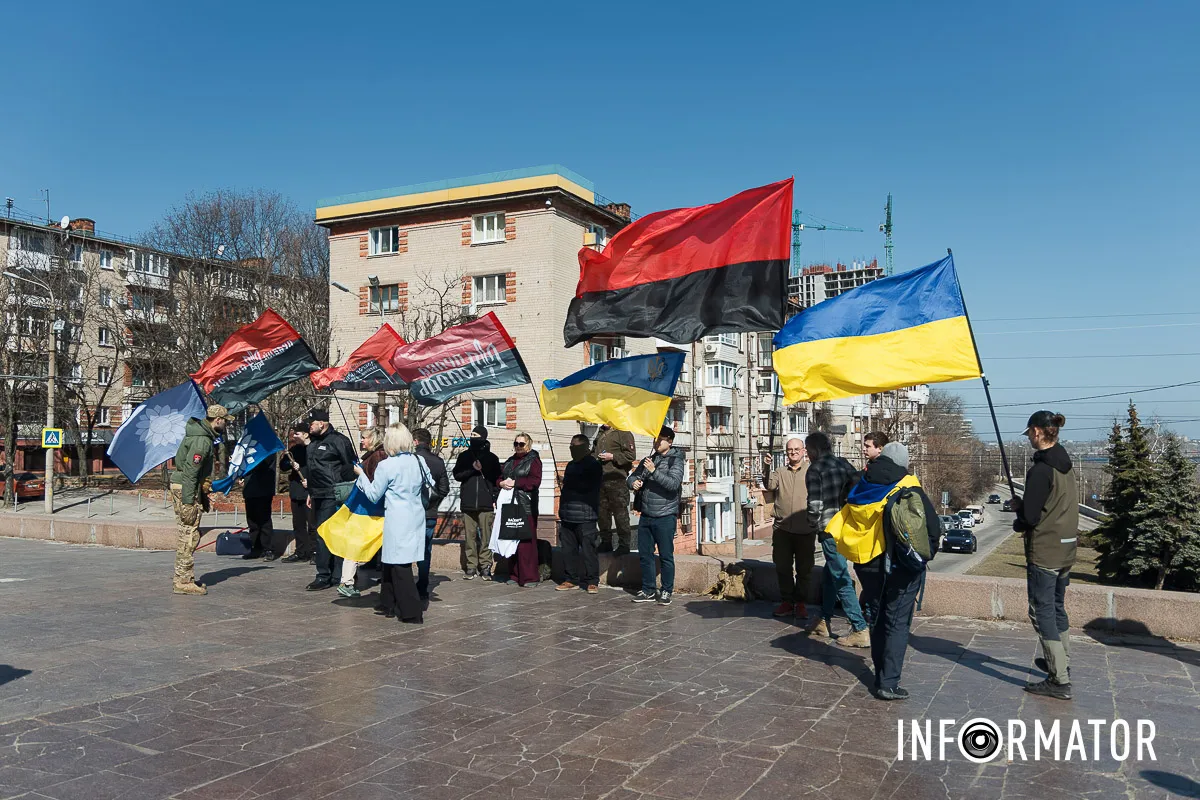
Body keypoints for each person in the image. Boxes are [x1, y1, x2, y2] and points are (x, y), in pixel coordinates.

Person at [828, 442, 940, 701]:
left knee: (877, 619)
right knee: (897, 623)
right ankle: (888, 683)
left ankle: (880, 674)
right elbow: (931, 528)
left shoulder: (860, 484)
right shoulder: (907, 486)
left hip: (867, 564)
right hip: (898, 565)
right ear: (903, 463)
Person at [1013, 411, 1078, 701]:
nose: (1028, 437)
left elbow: (1030, 517)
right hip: (1066, 549)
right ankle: (1061, 660)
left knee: (1041, 612)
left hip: (1046, 551)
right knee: (1056, 606)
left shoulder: (1040, 470)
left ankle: (1058, 679)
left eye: (1029, 432)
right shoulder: (1065, 462)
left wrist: (1018, 513)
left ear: (1038, 432)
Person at [354, 423, 434, 624]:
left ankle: (411, 611)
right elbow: (430, 484)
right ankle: (387, 601)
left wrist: (361, 475)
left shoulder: (387, 465)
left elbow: (373, 494)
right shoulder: (419, 461)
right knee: (391, 561)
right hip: (416, 515)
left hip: (397, 518)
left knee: (399, 565)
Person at [805, 431, 869, 647]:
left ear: (813, 449)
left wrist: (811, 523)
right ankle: (823, 620)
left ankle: (859, 627)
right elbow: (859, 486)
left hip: (828, 528)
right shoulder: (843, 463)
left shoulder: (814, 469)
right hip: (847, 527)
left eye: (807, 450)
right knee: (830, 573)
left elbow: (815, 505)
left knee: (840, 576)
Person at [169, 404, 232, 595]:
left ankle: (182, 578)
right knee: (189, 534)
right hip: (186, 488)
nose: (226, 425)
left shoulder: (200, 436)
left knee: (187, 532)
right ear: (218, 420)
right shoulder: (202, 441)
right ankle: (183, 581)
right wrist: (189, 501)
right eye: (225, 422)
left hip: (184, 486)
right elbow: (191, 471)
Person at [628, 426, 685, 606]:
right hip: (646, 514)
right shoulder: (649, 459)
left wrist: (654, 471)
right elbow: (632, 476)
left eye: (660, 439)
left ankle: (667, 590)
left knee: (666, 556)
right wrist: (633, 483)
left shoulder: (676, 460)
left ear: (670, 441)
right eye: (655, 438)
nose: (656, 442)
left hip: (665, 515)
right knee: (645, 554)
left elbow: (673, 484)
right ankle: (648, 590)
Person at [304, 410, 357, 591]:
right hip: (317, 493)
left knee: (326, 534)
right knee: (321, 533)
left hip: (333, 493)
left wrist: (345, 489)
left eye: (312, 423)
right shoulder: (312, 444)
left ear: (322, 423)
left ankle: (326, 575)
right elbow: (312, 470)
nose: (309, 426)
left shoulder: (338, 440)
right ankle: (330, 573)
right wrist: (310, 492)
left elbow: (350, 465)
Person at [337, 429, 388, 598]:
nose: (362, 442)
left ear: (373, 439)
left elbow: (373, 481)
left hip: (367, 509)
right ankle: (347, 581)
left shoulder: (376, 456)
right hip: (369, 510)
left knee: (358, 545)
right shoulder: (376, 456)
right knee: (360, 546)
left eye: (364, 438)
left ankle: (347, 580)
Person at [767, 436, 814, 619]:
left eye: (796, 449)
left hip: (805, 530)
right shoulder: (780, 471)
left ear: (804, 451)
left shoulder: (812, 472)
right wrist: (766, 467)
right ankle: (787, 601)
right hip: (782, 529)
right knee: (783, 567)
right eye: (790, 450)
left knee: (805, 570)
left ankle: (800, 603)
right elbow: (769, 485)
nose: (793, 453)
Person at [452, 426, 502, 580]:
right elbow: (457, 475)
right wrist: (471, 470)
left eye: (476, 435)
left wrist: (495, 497)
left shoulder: (492, 458)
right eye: (471, 435)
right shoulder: (465, 456)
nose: (473, 438)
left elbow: (496, 478)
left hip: (486, 503)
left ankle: (486, 566)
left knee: (486, 537)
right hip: (468, 503)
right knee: (470, 537)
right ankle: (471, 566)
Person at [556, 434, 603, 594]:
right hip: (567, 514)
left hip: (586, 515)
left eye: (574, 446)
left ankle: (592, 581)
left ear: (584, 447)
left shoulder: (594, 465)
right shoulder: (570, 465)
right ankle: (571, 578)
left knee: (588, 550)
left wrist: (568, 482)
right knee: (568, 550)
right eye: (570, 446)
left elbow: (588, 486)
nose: (571, 449)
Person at [499, 432, 543, 587]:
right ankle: (515, 574)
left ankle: (530, 577)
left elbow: (534, 482)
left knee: (526, 542)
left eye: (521, 444)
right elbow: (500, 476)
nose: (518, 446)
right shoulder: (510, 461)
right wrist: (501, 483)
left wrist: (516, 482)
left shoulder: (534, 461)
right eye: (516, 443)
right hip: (510, 505)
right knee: (512, 539)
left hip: (526, 506)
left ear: (528, 445)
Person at [413, 427, 450, 601]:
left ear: (415, 442)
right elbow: (444, 489)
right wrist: (432, 502)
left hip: (410, 513)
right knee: (425, 550)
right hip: (429, 513)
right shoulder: (438, 461)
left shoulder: (410, 460)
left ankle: (403, 585)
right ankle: (423, 585)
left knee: (405, 548)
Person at [593, 424, 636, 555]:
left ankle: (624, 544)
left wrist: (612, 457)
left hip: (617, 479)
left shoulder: (623, 432)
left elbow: (630, 456)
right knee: (602, 514)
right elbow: (593, 451)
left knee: (620, 513)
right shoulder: (601, 433)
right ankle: (606, 542)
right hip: (601, 478)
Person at [242, 434, 281, 562]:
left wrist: (247, 460)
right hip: (250, 489)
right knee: (252, 521)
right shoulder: (249, 450)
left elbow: (261, 465)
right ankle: (255, 547)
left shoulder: (267, 449)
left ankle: (268, 549)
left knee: (264, 521)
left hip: (263, 489)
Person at [280, 423, 315, 563]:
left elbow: (317, 468)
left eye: (297, 434)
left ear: (306, 434)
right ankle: (301, 551)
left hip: (309, 491)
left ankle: (314, 552)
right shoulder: (293, 450)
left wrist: (310, 480)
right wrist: (290, 464)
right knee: (298, 524)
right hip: (296, 490)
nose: (294, 436)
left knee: (312, 524)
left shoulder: (313, 449)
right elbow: (283, 466)